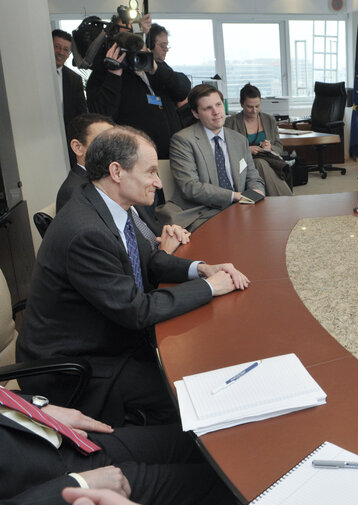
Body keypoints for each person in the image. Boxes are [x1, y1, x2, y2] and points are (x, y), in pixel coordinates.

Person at [17, 126, 250, 426]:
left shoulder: (111, 206)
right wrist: (208, 287)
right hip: (77, 365)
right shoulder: (87, 231)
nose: (157, 181)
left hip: (110, 336)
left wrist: (200, 269)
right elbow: (136, 310)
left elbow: (150, 259)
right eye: (151, 171)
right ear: (117, 171)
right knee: (189, 395)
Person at [0, 386, 237, 505]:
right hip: (49, 485)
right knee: (222, 487)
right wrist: (77, 485)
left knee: (202, 440)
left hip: (47, 434)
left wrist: (35, 405)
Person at [56, 113, 190, 253]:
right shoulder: (79, 191)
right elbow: (125, 257)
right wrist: (165, 252)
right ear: (77, 147)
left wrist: (168, 234)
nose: (115, 148)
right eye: (103, 141)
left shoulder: (122, 183)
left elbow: (145, 228)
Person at [166, 84, 266, 231]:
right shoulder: (183, 140)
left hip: (240, 206)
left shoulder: (239, 140)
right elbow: (190, 187)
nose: (216, 112)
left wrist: (257, 191)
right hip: (201, 212)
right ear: (195, 113)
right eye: (208, 108)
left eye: (218, 104)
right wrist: (234, 196)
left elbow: (252, 176)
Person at [85, 21, 190, 160]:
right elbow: (102, 114)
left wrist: (156, 68)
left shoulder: (153, 67)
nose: (137, 55)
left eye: (143, 49)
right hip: (134, 158)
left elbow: (182, 89)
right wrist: (114, 73)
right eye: (132, 52)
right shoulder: (104, 75)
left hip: (173, 154)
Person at [224, 84, 292, 196]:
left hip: (269, 159)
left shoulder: (269, 120)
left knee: (261, 163)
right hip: (242, 163)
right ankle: (286, 199)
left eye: (257, 106)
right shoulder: (231, 122)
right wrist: (247, 150)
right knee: (259, 163)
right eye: (250, 107)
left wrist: (270, 148)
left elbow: (279, 146)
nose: (254, 111)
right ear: (242, 104)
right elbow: (226, 149)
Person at [146, 23, 188, 140]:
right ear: (149, 45)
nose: (166, 50)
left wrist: (157, 70)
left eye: (167, 46)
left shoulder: (163, 68)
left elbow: (183, 89)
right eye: (162, 46)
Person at [53, 29, 88, 167]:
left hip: (65, 144)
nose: (61, 52)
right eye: (57, 47)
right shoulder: (33, 74)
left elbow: (81, 114)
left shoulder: (74, 79)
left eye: (66, 49)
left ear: (69, 54)